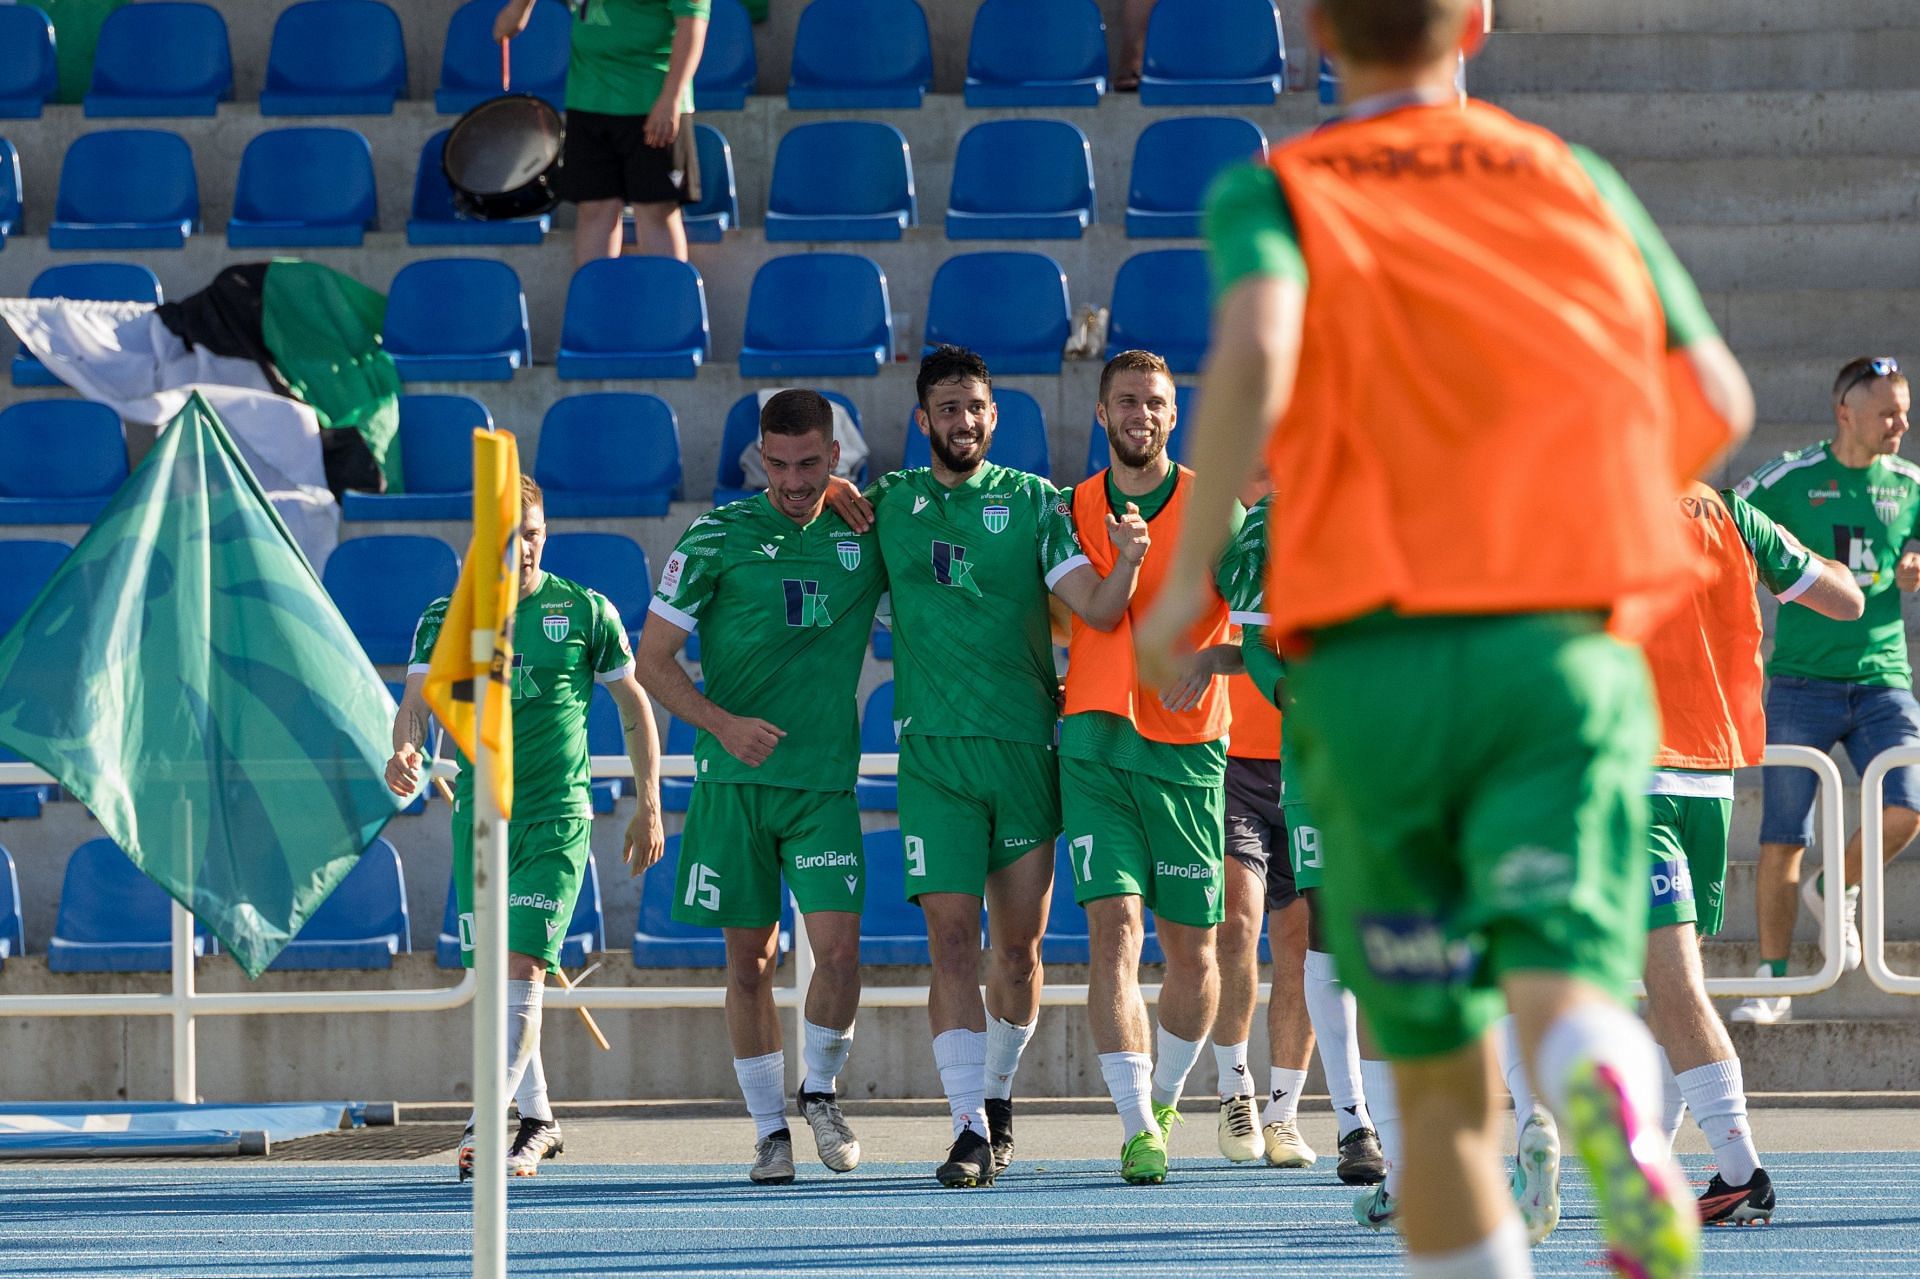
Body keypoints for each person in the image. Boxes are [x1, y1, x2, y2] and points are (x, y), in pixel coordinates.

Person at [1137, 1, 1755, 1274]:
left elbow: (1257, 344)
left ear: (1314, 26)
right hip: (1560, 652)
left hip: (1378, 671)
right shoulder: (1568, 175)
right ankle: (1615, 1107)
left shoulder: (1283, 189)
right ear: (1475, 19)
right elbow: (1714, 400)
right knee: (1567, 978)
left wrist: (1180, 578)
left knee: (1439, 1089)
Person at [830, 346, 1149, 1188]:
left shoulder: (1035, 503)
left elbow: (1098, 608)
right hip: (932, 757)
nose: (962, 421)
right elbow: (800, 521)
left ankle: (999, 1096)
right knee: (950, 941)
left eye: (975, 406)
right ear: (922, 418)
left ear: (993, 415)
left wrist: (1130, 558)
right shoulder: (889, 504)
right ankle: (968, 1128)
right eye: (947, 408)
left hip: (1023, 752)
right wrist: (828, 489)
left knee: (1018, 954)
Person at [635, 389, 887, 1186]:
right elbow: (652, 660)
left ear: (835, 458)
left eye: (810, 464)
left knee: (839, 954)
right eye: (777, 465)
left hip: (820, 787)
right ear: (759, 460)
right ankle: (768, 1129)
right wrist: (719, 723)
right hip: (734, 785)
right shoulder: (716, 535)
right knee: (750, 962)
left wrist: (850, 497)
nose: (793, 480)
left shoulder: (864, 531)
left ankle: (820, 1091)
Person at [387, 474, 665, 1181]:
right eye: (511, 537)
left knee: (523, 966)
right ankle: (539, 1118)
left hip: (557, 819)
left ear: (547, 533)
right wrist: (406, 748)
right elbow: (415, 704)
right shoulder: (447, 616)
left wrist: (649, 802)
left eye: (535, 534)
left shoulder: (584, 610)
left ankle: (487, 1117)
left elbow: (633, 704)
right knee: (499, 978)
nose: (526, 548)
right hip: (480, 820)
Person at [1642, 483, 1861, 1227]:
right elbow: (1845, 599)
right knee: (1669, 977)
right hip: (1710, 771)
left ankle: (1740, 1171)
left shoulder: (1593, 483)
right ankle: (1650, 1159)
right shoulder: (1730, 508)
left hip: (1632, 761)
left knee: (1662, 982)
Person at [1058, 349, 1236, 1186]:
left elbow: (1275, 615)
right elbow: (1059, 614)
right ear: (1102, 414)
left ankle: (1165, 1099)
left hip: (1189, 750)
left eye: (1155, 402)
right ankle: (1137, 1127)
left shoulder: (1214, 507)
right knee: (1114, 930)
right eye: (1125, 400)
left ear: (1174, 414)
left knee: (1194, 952)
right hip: (1095, 743)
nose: (1141, 413)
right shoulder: (1071, 506)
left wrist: (1221, 660)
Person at [1728, 357, 1919, 1024]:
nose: (1901, 422)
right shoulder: (1792, 475)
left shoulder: (1910, 482)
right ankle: (1769, 978)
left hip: (1883, 678)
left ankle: (1833, 888)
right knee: (1783, 831)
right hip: (1802, 678)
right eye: (1888, 411)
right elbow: (1725, 523)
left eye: (1904, 408)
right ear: (1846, 413)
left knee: (1908, 803)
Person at [1212, 489, 1389, 1189]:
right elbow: (1255, 641)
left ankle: (1397, 1126)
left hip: (1397, 753)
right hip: (1309, 759)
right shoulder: (1269, 519)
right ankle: (1352, 1121)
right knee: (1320, 930)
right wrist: (1291, 693)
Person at [495, 0, 708, 265]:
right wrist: (519, 7)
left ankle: (668, 302)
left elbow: (692, 28)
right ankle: (596, 300)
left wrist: (671, 99)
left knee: (656, 210)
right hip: (588, 102)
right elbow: (506, 26)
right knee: (594, 208)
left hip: (651, 103)